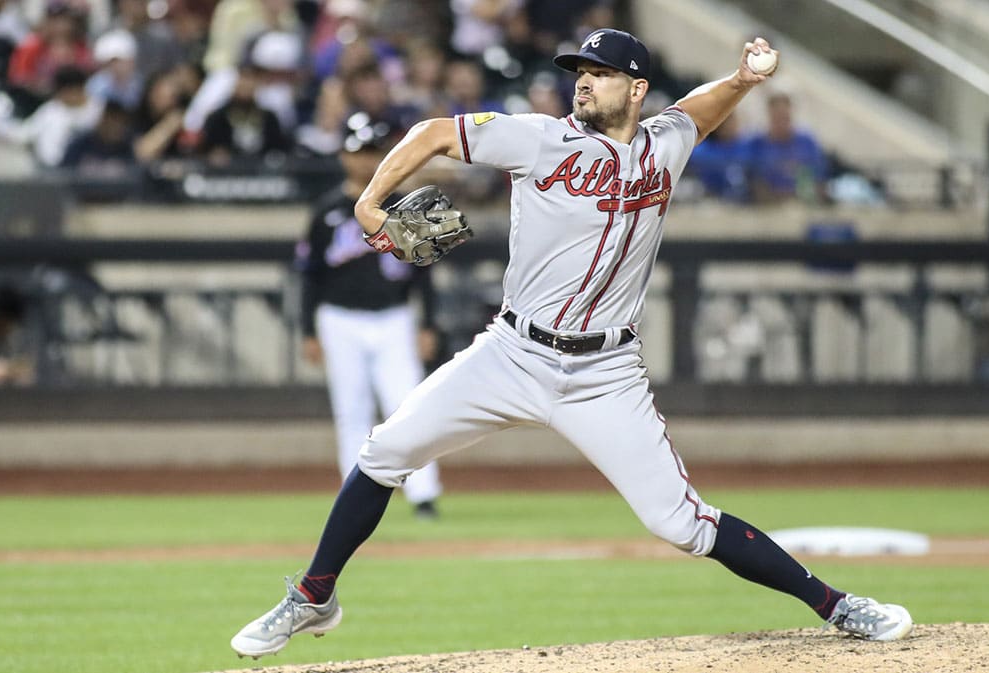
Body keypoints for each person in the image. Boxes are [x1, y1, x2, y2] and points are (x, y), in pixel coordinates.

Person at [230, 30, 914, 660]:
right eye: (579, 72)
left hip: (605, 372)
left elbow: (700, 110)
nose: (583, 82)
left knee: (682, 522)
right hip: (512, 352)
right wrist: (370, 200)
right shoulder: (537, 139)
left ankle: (838, 605)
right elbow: (434, 132)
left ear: (637, 88)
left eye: (601, 73)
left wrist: (744, 78)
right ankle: (313, 597)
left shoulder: (664, 143)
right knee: (384, 452)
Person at [294, 114, 444, 520]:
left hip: (394, 317)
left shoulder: (405, 207)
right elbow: (308, 276)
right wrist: (307, 329)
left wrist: (428, 322)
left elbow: (424, 273)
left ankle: (423, 494)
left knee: (410, 406)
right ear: (343, 154)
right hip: (338, 319)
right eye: (359, 151)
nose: (365, 160)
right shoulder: (326, 211)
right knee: (351, 410)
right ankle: (353, 495)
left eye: (374, 151)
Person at [747, 91, 828, 205]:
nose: (781, 124)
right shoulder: (757, 143)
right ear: (769, 116)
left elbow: (819, 179)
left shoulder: (806, 142)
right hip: (769, 206)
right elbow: (753, 181)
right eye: (777, 118)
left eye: (785, 118)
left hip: (802, 203)